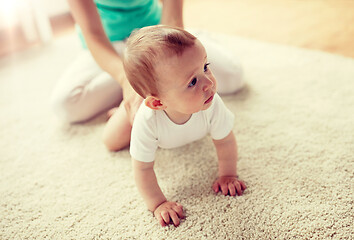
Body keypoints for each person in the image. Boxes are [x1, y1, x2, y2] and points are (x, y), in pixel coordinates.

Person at [117, 25, 246, 227]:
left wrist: (228, 175)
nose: (209, 83)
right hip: (143, 117)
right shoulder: (147, 121)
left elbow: (225, 141)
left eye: (205, 66)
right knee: (112, 141)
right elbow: (142, 168)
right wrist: (158, 203)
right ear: (158, 103)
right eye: (193, 82)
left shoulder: (211, 102)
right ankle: (121, 109)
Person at [50, 0, 244, 125]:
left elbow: (173, 17)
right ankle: (142, 85)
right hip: (109, 45)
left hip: (158, 34)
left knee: (233, 76)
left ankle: (190, 49)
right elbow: (94, 36)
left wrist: (169, 61)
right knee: (66, 105)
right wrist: (127, 79)